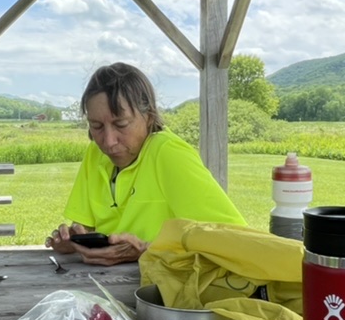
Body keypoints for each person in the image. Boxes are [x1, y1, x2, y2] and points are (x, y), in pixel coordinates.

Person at [46, 63, 245, 266]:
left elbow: (236, 240)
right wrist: (73, 241)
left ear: (149, 117)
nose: (108, 141)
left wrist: (146, 250)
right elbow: (86, 227)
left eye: (121, 124)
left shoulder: (167, 153)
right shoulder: (95, 153)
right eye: (96, 126)